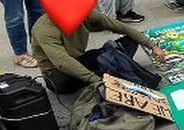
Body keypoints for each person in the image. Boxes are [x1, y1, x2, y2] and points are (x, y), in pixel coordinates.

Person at [30, 9, 165, 95]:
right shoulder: (44, 29)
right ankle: (111, 68)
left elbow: (121, 27)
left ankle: (111, 66)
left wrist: (152, 46)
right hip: (57, 73)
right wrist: (96, 81)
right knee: (62, 83)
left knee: (129, 41)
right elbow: (62, 62)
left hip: (80, 58)